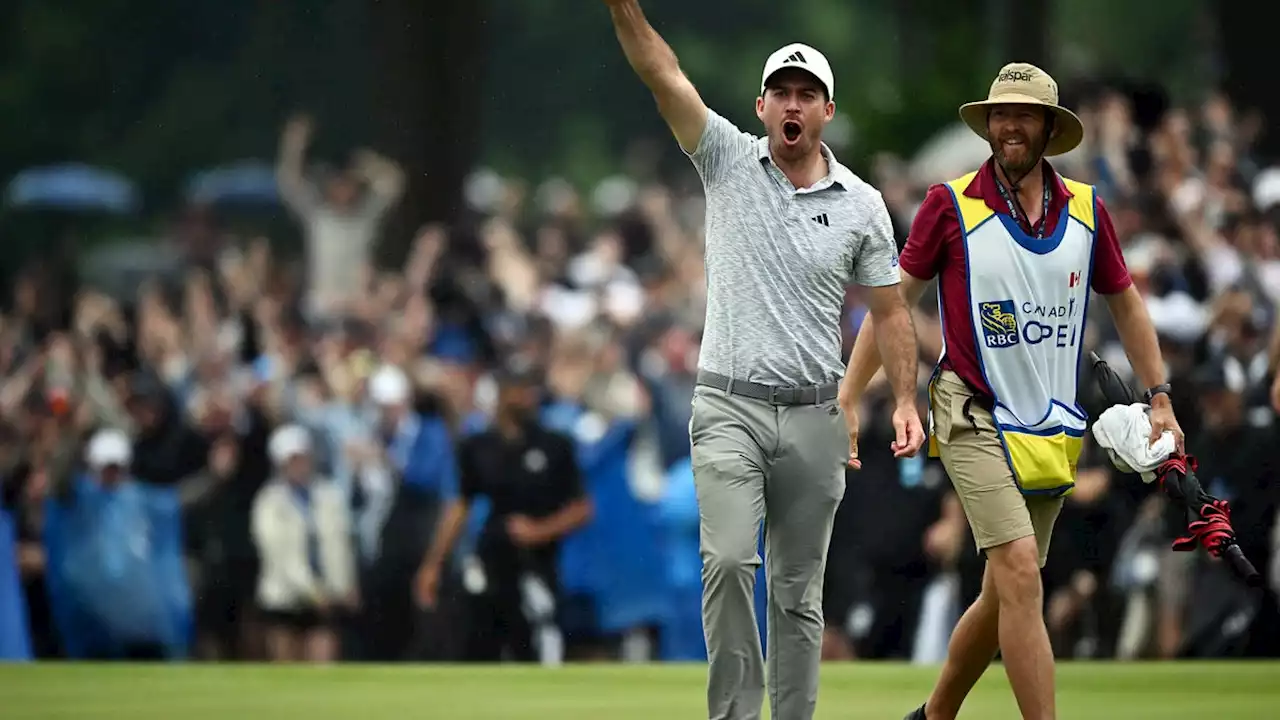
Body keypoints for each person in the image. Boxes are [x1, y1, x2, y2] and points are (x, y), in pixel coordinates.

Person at [604, 3, 923, 718]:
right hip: (728, 406)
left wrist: (902, 399)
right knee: (725, 563)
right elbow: (664, 74)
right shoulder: (724, 156)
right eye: (781, 91)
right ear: (761, 105)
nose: (792, 103)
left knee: (796, 594)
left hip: (816, 414)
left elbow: (891, 310)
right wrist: (624, 10)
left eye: (806, 94)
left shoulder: (863, 205)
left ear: (826, 111)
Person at [838, 63, 1185, 720]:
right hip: (969, 411)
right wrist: (852, 397)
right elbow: (893, 307)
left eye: (1024, 114)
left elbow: (1128, 306)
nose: (1009, 126)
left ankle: (934, 714)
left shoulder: (1087, 210)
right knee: (1023, 570)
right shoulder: (949, 204)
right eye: (1000, 114)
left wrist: (1159, 396)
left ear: (1050, 129)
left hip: (1053, 426)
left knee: (1004, 592)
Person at [414, 363, 593, 663]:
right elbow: (460, 506)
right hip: (491, 559)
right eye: (519, 390)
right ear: (502, 394)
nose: (526, 398)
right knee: (481, 643)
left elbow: (582, 509)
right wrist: (434, 563)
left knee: (537, 639)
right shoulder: (478, 446)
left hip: (538, 563)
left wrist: (539, 531)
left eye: (529, 391)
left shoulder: (554, 445)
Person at [251, 425, 357, 662]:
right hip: (285, 598)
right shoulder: (269, 502)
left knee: (323, 667)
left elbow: (340, 545)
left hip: (327, 597)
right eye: (292, 459)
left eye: (302, 457)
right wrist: (313, 592)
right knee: (286, 669)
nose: (299, 465)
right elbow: (279, 556)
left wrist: (346, 584)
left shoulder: (328, 495)